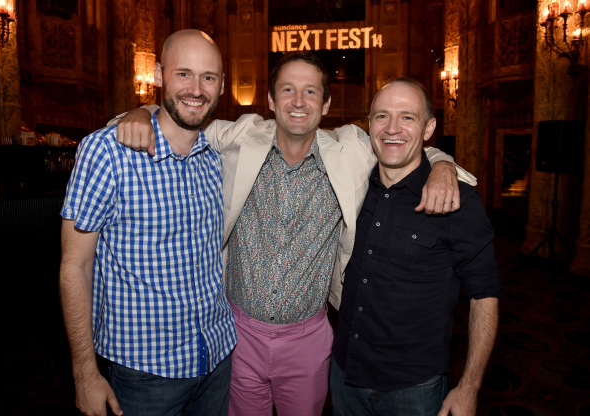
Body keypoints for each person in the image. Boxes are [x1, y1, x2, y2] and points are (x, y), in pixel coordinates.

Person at [112, 52, 476, 416]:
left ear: (327, 103)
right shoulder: (242, 134)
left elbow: (406, 145)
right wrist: (141, 111)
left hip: (309, 340)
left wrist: (442, 165)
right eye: (287, 90)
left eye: (311, 92)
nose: (299, 102)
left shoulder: (351, 148)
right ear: (270, 100)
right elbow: (179, 119)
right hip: (238, 336)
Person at [59, 29, 237, 416]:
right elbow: (75, 266)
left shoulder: (214, 158)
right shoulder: (106, 152)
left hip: (217, 355)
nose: (197, 89)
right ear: (158, 75)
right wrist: (85, 373)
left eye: (209, 77)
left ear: (222, 86)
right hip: (145, 373)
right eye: (183, 74)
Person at [329, 78, 501, 416]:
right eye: (382, 116)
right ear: (369, 124)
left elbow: (485, 295)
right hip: (344, 375)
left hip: (413, 391)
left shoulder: (458, 201)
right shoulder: (351, 186)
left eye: (407, 117)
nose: (392, 128)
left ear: (428, 128)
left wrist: (469, 386)